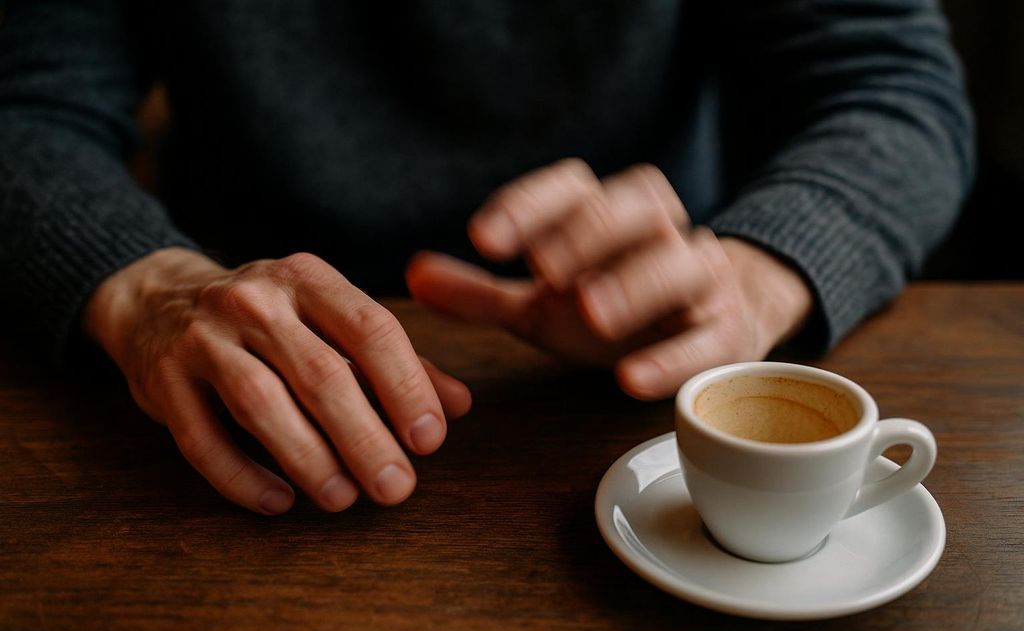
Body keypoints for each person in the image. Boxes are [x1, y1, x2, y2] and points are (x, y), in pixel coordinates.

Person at [0, 1, 973, 515]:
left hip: (646, 384)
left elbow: (892, 84)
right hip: (231, 384)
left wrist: (759, 269)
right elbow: (26, 104)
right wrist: (144, 283)